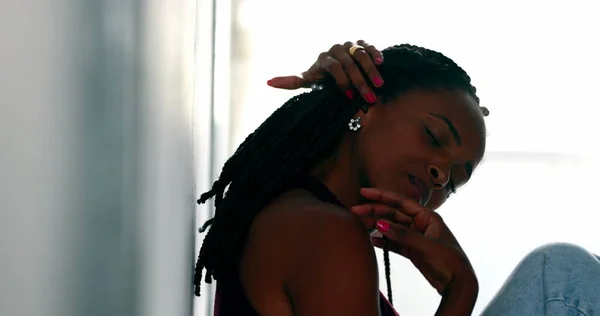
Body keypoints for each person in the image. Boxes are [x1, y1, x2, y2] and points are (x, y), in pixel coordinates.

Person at [194, 40, 600, 315]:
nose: (440, 177)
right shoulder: (326, 232)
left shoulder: (306, 218)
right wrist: (460, 291)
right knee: (560, 274)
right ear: (365, 108)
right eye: (434, 136)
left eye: (455, 181)